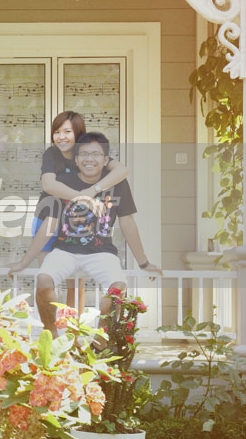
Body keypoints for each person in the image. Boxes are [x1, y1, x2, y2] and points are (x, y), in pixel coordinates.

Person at [9, 132, 161, 335]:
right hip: (65, 250)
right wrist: (24, 262)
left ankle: (101, 340)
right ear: (76, 159)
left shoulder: (118, 184)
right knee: (43, 279)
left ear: (106, 160)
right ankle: (51, 335)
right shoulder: (63, 182)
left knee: (118, 287)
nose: (90, 159)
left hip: (101, 252)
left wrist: (144, 263)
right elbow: (50, 224)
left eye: (96, 154)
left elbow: (127, 223)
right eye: (84, 154)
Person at [31, 111, 129, 306]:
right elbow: (48, 185)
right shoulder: (52, 154)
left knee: (76, 284)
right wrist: (84, 197)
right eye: (57, 132)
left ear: (78, 133)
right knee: (48, 281)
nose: (61, 137)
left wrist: (93, 190)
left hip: (74, 222)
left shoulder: (88, 154)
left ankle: (74, 323)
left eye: (67, 131)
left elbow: (122, 171)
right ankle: (50, 322)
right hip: (48, 218)